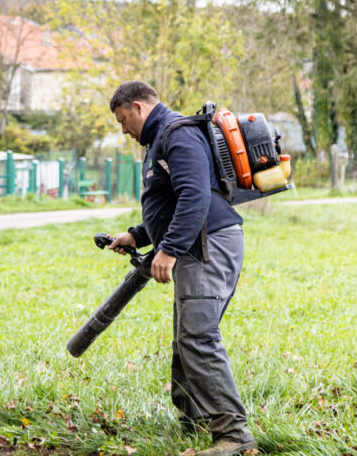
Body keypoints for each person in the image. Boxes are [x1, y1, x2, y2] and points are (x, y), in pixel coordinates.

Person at [107, 81, 257, 456]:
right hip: (198, 244)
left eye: (124, 120)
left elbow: (194, 195)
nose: (123, 129)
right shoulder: (160, 140)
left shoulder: (178, 134)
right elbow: (172, 203)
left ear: (139, 108)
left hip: (209, 245)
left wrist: (169, 250)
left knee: (198, 336)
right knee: (186, 337)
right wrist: (136, 236)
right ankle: (194, 420)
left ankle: (235, 436)